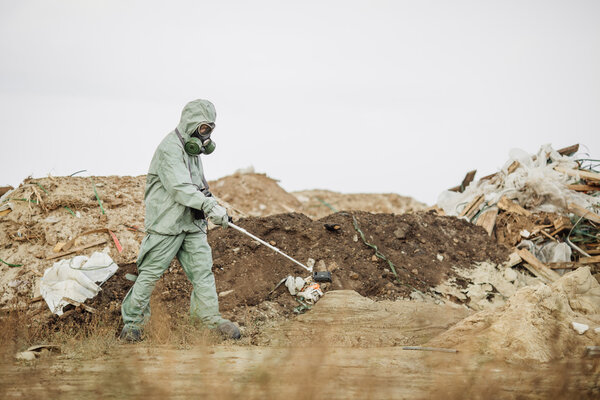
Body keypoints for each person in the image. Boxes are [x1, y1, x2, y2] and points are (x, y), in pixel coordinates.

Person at [120, 99, 241, 342]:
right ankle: (133, 324)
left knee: (202, 273)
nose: (205, 135)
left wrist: (215, 205)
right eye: (203, 128)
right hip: (167, 225)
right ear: (190, 124)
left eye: (210, 129)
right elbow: (181, 188)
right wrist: (208, 206)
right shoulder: (170, 149)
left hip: (192, 225)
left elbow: (200, 188)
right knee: (150, 273)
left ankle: (208, 321)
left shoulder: (192, 152)